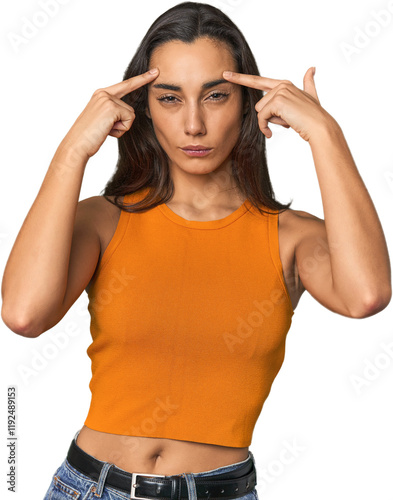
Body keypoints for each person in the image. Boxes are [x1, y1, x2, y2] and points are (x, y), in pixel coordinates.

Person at [1, 2, 391, 499]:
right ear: (144, 107)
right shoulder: (104, 218)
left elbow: (367, 295)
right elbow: (23, 315)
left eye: (215, 96)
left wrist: (325, 135)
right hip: (90, 487)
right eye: (169, 98)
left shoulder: (289, 236)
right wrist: (72, 149)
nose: (193, 125)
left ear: (248, 101)